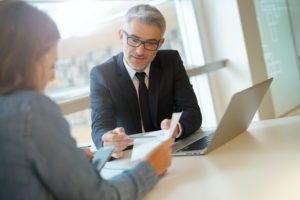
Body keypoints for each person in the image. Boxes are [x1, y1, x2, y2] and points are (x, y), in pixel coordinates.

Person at [0, 1, 173, 200]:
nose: (52, 78)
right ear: (28, 61)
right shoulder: (32, 110)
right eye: (50, 66)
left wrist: (67, 160)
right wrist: (150, 168)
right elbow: (98, 196)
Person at [90, 4, 202, 158]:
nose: (140, 51)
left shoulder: (171, 61)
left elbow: (192, 112)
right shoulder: (102, 74)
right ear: (121, 36)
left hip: (172, 153)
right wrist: (107, 140)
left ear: (160, 44)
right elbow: (100, 127)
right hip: (129, 158)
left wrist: (177, 128)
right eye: (134, 39)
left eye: (150, 43)